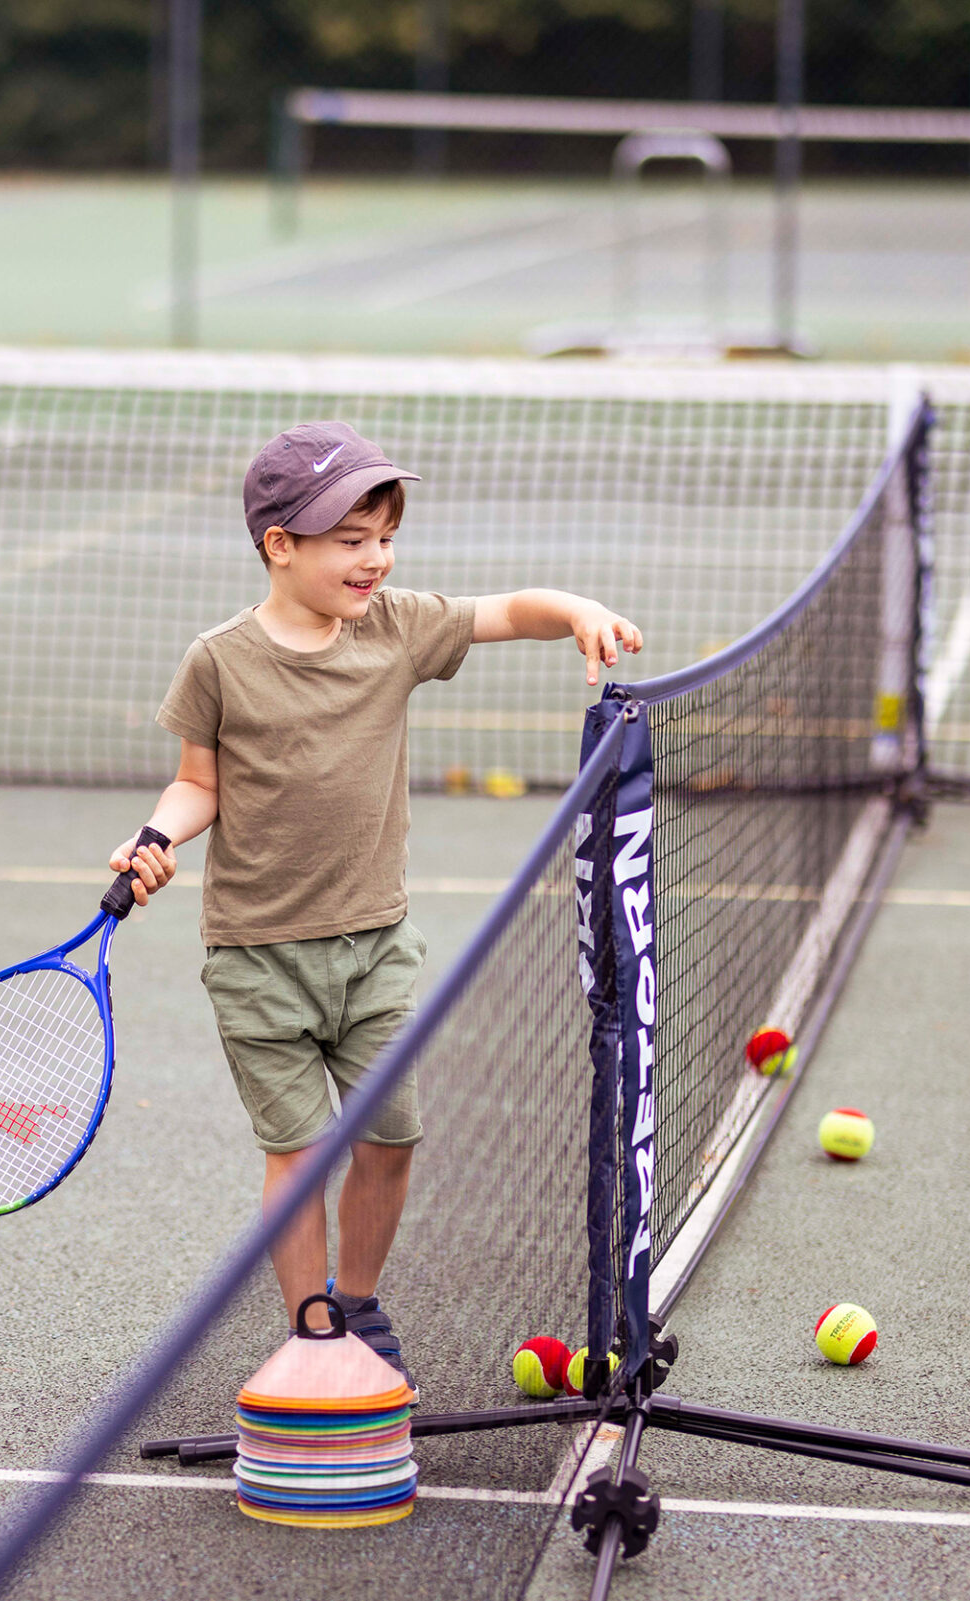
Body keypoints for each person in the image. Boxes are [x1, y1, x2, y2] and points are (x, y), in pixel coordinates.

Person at [108, 421, 642, 1388]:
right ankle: (312, 1323)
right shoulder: (219, 661)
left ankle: (357, 1295)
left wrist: (577, 611)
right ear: (282, 546)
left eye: (384, 535)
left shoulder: (396, 627)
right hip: (258, 953)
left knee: (390, 1137)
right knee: (302, 1151)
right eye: (351, 539)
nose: (376, 558)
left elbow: (504, 611)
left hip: (378, 946)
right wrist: (155, 837)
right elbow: (199, 783)